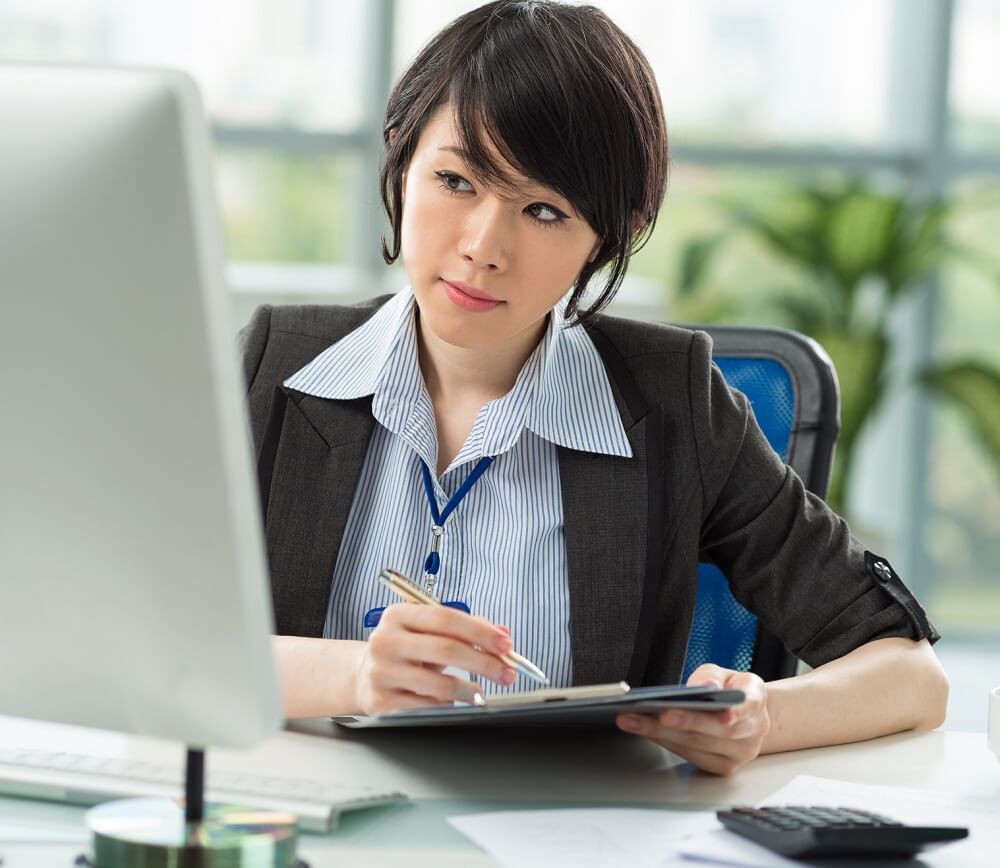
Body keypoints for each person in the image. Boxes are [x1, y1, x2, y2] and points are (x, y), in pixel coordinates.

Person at [239, 0, 947, 775]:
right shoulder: (272, 368)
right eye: (455, 180)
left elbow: (910, 676)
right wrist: (351, 676)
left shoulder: (675, 406)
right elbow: (127, 630)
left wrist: (763, 717)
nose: (484, 247)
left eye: (544, 210)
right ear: (400, 163)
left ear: (603, 239)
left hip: (570, 836)